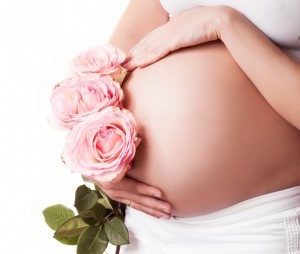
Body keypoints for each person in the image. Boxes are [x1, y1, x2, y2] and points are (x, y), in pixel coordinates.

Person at [96, 0, 300, 253]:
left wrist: (226, 24)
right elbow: (112, 63)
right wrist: (96, 162)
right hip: (148, 223)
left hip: (253, 223)